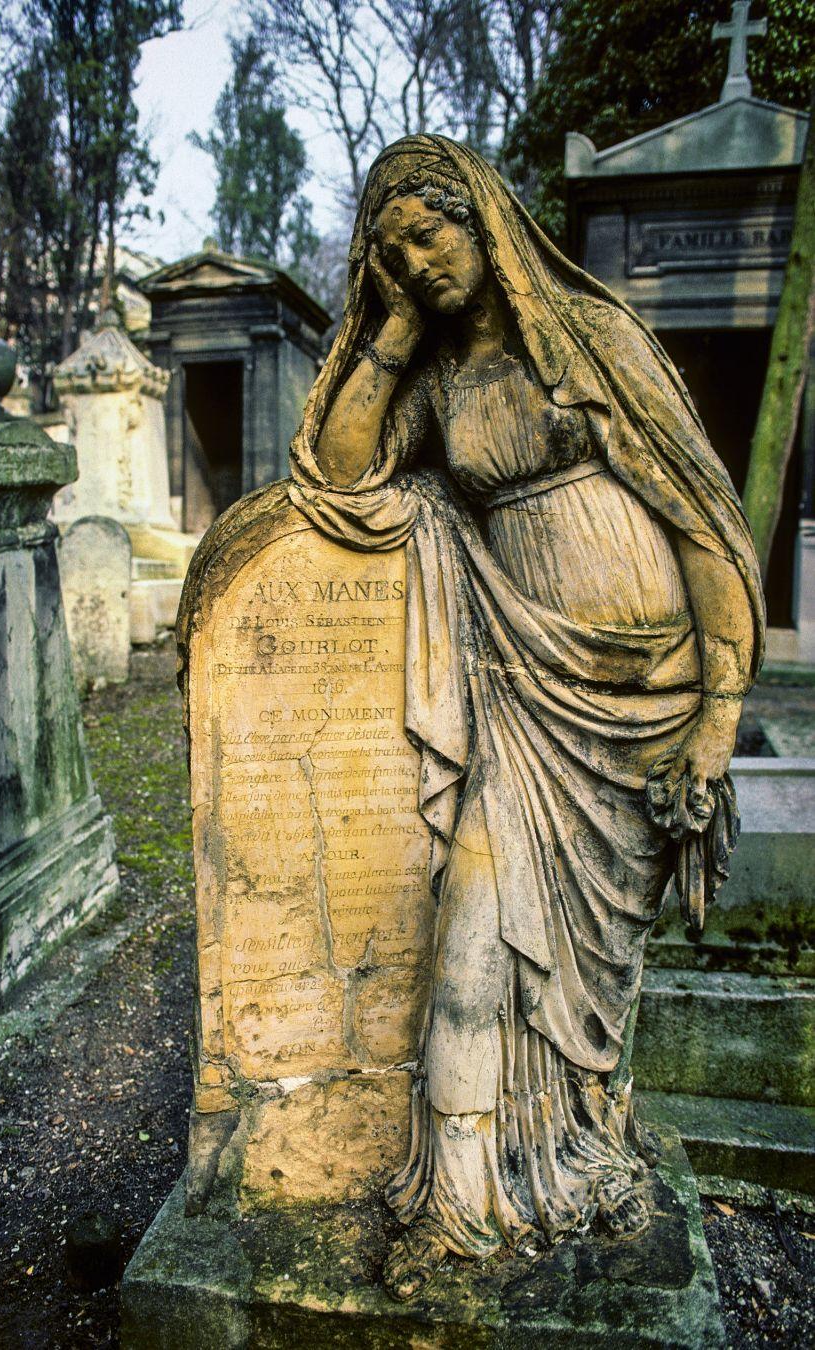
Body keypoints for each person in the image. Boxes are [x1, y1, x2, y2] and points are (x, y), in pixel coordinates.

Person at [288, 135, 764, 1301]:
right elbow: (342, 472)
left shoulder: (587, 342)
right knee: (472, 935)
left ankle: (576, 1157)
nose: (415, 262)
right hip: (523, 695)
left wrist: (717, 715)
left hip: (645, 703)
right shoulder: (439, 374)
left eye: (431, 236)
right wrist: (394, 336)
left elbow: (700, 521)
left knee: (598, 982)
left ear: (484, 224)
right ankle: (459, 1201)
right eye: (391, 251)